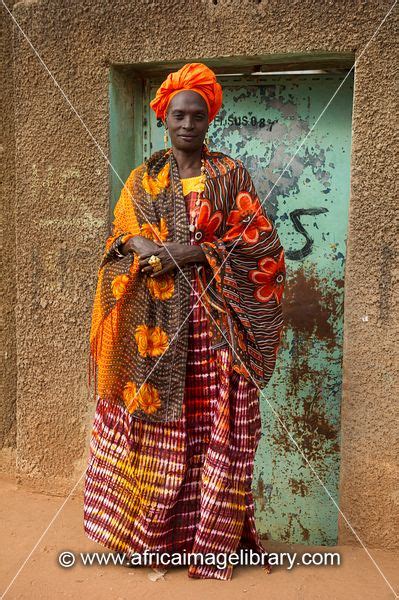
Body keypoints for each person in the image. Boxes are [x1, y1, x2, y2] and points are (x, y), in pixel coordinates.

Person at [84, 62, 285, 580]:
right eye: (179, 114)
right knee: (155, 433)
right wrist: (138, 243)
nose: (188, 123)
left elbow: (259, 248)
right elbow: (116, 240)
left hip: (213, 330)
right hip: (154, 337)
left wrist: (194, 253)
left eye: (198, 115)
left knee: (213, 426)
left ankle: (209, 542)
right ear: (163, 118)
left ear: (209, 119)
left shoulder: (229, 176)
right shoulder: (142, 179)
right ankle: (152, 543)